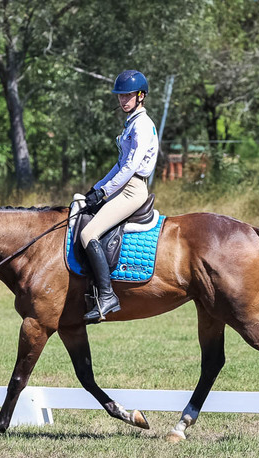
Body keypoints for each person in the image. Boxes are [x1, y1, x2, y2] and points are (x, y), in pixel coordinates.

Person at [81, 69, 159, 323]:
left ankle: (106, 296)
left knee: (87, 234)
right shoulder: (132, 124)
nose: (123, 100)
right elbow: (118, 165)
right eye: (120, 96)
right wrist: (95, 189)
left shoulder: (143, 125)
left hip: (133, 189)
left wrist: (105, 191)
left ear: (141, 96)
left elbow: (131, 167)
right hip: (123, 185)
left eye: (128, 96)